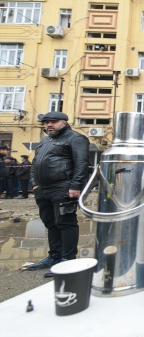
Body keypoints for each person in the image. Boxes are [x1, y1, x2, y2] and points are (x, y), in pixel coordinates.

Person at [26, 112, 90, 276]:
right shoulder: (46, 140)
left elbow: (81, 163)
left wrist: (76, 185)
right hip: (43, 189)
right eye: (46, 122)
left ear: (64, 122)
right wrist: (34, 184)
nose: (49, 125)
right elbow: (35, 162)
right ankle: (54, 256)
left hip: (63, 187)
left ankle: (67, 260)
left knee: (65, 222)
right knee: (50, 223)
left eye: (53, 122)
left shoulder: (76, 138)